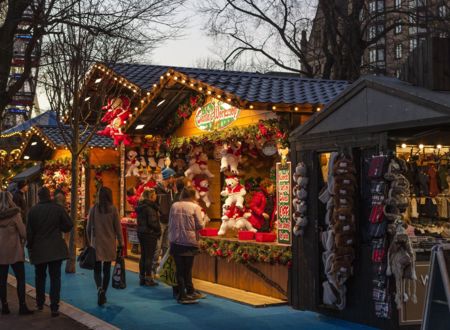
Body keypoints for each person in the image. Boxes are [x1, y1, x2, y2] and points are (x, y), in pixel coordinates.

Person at [27, 187, 73, 317]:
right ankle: (54, 307)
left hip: (39, 249)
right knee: (55, 278)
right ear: (50, 196)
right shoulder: (57, 209)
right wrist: (60, 228)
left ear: (38, 197)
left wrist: (30, 246)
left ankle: (40, 303)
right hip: (55, 249)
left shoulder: (33, 211)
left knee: (40, 277)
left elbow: (29, 233)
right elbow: (69, 225)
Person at [86, 186, 123, 306]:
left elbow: (88, 228)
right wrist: (121, 243)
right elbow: (118, 229)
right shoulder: (113, 210)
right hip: (109, 243)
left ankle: (99, 289)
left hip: (96, 243)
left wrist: (89, 241)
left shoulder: (94, 209)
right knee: (107, 270)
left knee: (97, 270)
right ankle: (104, 293)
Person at [168, 187, 206, 304]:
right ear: (193, 196)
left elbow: (170, 222)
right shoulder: (195, 207)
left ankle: (185, 292)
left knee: (179, 269)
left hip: (175, 240)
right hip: (189, 241)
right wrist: (205, 220)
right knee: (187, 269)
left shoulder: (174, 205)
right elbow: (200, 226)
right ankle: (185, 295)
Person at [0, 191, 33, 315]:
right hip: (15, 252)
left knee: (2, 281)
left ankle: (4, 306)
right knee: (20, 278)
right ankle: (22, 306)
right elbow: (23, 233)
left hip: (0, 252)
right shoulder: (15, 214)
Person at [153, 167, 176, 274]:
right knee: (157, 245)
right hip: (160, 221)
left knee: (166, 246)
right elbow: (154, 205)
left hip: (169, 220)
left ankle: (162, 268)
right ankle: (154, 267)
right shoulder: (156, 189)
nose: (174, 179)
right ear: (169, 177)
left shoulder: (171, 190)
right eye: (172, 177)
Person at [136, 189, 161, 286]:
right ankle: (148, 279)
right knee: (149, 257)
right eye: (155, 195)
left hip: (141, 233)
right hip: (149, 234)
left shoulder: (141, 205)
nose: (156, 196)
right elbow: (152, 222)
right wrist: (158, 231)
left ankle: (142, 278)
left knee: (143, 256)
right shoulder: (150, 207)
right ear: (151, 197)